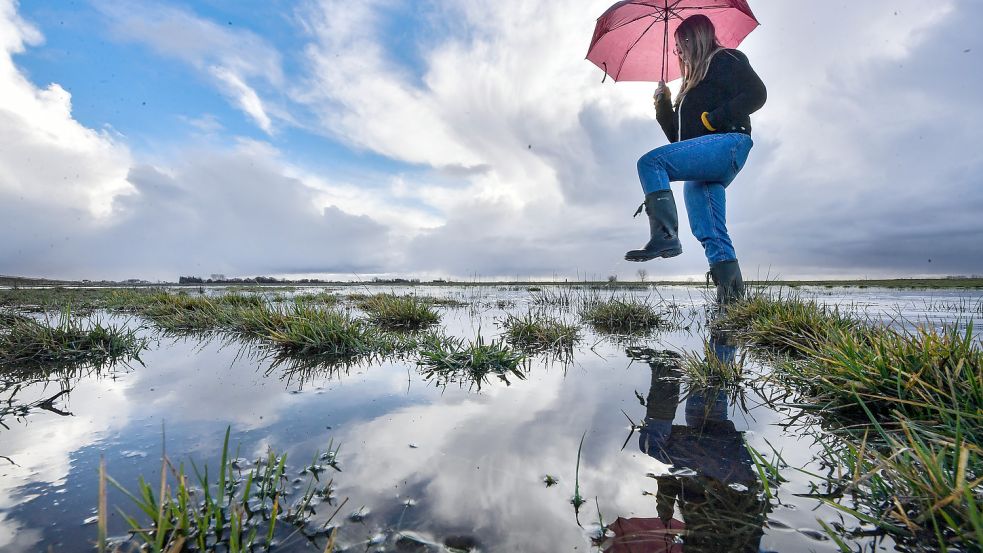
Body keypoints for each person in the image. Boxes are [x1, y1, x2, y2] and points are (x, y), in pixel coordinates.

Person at [624, 14, 767, 306]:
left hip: (729, 143)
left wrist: (715, 119)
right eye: (676, 46)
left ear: (698, 37)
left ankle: (665, 236)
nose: (679, 50)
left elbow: (757, 94)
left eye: (682, 42)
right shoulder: (688, 88)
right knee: (709, 230)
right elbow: (679, 144)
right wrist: (663, 104)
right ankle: (733, 304)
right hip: (707, 159)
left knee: (650, 163)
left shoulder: (727, 58)